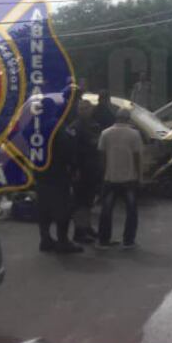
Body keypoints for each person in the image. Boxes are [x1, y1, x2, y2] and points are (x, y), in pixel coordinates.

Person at [36, 97, 82, 254]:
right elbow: (67, 148)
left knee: (43, 208)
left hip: (39, 173)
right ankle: (63, 241)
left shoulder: (34, 125)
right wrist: (74, 166)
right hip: (57, 173)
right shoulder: (57, 125)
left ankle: (45, 239)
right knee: (63, 207)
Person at [97, 108, 143, 249]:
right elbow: (137, 157)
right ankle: (128, 241)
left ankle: (104, 241)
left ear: (116, 118)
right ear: (128, 119)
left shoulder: (105, 133)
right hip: (129, 179)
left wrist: (105, 172)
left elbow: (102, 156)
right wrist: (139, 175)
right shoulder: (134, 134)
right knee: (131, 211)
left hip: (110, 178)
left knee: (106, 210)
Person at [71, 101, 103, 244]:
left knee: (89, 202)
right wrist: (75, 169)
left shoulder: (94, 125)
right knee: (80, 203)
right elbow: (72, 152)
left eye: (86, 108)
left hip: (92, 169)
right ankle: (79, 232)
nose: (83, 111)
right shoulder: (75, 127)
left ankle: (87, 227)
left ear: (91, 110)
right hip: (81, 171)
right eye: (81, 109)